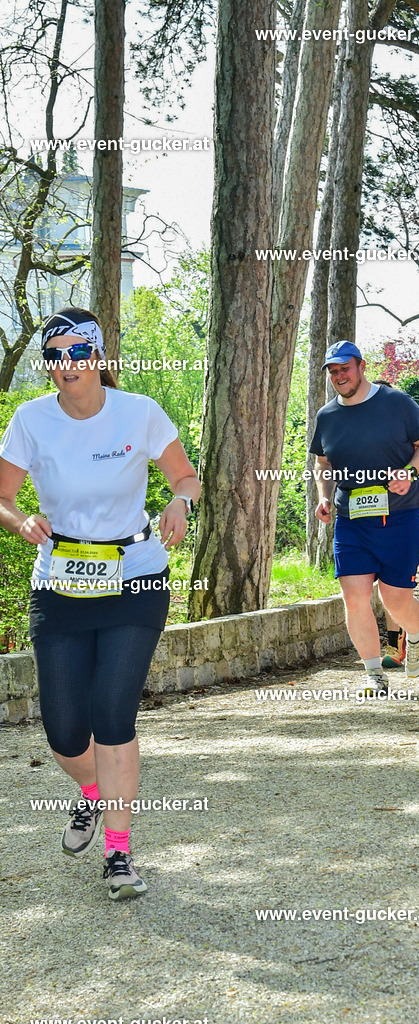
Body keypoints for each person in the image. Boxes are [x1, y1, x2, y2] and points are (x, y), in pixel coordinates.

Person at [0, 308, 201, 899]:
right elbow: (2, 496)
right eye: (54, 354)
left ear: (97, 356)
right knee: (65, 732)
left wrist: (178, 503)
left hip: (135, 574)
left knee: (113, 714)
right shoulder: (31, 420)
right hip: (60, 579)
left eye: (76, 351)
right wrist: (20, 522)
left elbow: (185, 477)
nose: (66, 365)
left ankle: (119, 853)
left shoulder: (138, 412)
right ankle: (91, 792)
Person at [311, 340, 419, 695]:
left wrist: (409, 472)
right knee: (354, 596)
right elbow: (323, 462)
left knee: (395, 599)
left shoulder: (395, 402)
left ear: (361, 366)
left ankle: (414, 633)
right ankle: (373, 672)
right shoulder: (327, 416)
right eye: (333, 372)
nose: (339, 377)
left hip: (398, 516)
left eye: (344, 369)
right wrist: (323, 497)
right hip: (352, 518)